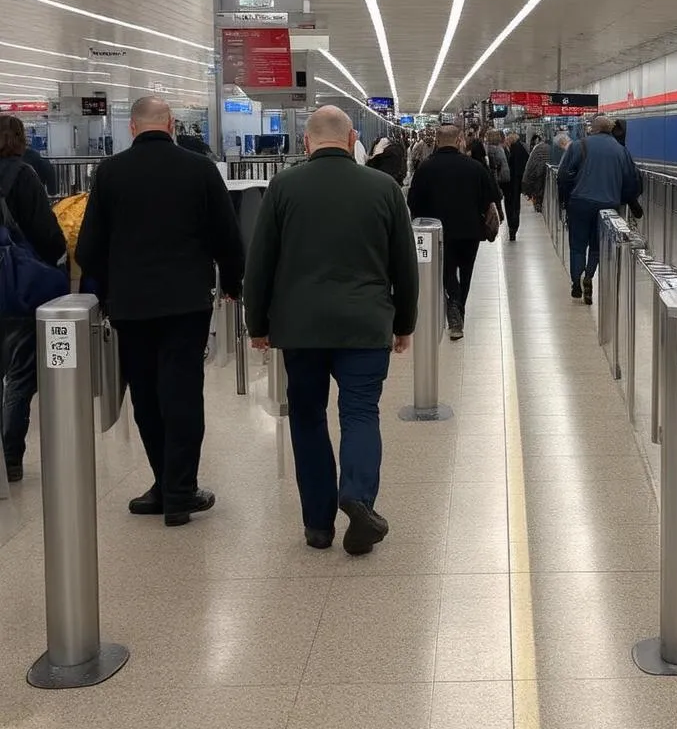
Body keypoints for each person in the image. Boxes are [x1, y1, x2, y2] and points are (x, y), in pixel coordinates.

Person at [244, 106, 418, 554]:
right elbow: (404, 264)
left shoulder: (283, 186)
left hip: (300, 329)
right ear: (351, 138)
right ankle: (357, 498)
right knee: (360, 413)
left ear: (306, 142)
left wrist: (257, 323)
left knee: (307, 416)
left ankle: (318, 525)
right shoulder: (384, 188)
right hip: (365, 323)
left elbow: (260, 263)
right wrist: (404, 323)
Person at [76, 97, 245, 525]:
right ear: (171, 125)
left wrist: (111, 284)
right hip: (186, 301)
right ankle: (179, 488)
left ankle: (163, 483)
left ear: (132, 129)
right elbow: (227, 235)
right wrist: (234, 281)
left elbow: (89, 248)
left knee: (146, 394)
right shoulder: (199, 169)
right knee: (183, 392)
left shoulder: (109, 172)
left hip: (131, 305)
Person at [0, 117, 67, 483]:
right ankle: (10, 456)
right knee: (21, 374)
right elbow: (47, 235)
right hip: (17, 287)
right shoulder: (22, 176)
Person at [408, 124, 501, 342]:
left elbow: (413, 202)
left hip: (439, 233)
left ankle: (453, 306)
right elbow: (491, 197)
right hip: (470, 230)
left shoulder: (425, 168)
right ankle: (459, 310)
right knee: (466, 271)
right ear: (459, 139)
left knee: (447, 272)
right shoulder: (475, 167)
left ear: (437, 141)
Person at [557, 115, 640, 305]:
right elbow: (630, 181)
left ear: (592, 128)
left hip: (580, 202)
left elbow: (563, 176)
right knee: (597, 246)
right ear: (611, 129)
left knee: (577, 245)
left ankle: (576, 282)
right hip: (608, 204)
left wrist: (565, 199)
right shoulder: (621, 151)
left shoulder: (579, 146)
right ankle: (589, 276)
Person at [503, 132, 530, 242]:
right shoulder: (521, 148)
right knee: (515, 206)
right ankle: (513, 228)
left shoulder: (514, 150)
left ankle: (512, 228)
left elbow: (512, 167)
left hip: (512, 183)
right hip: (517, 183)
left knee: (511, 206)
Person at [521, 136, 551, 213]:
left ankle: (538, 204)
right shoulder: (551, 148)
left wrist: (526, 183)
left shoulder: (538, 149)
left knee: (539, 188)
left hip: (538, 175)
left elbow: (530, 166)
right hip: (547, 175)